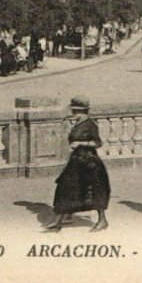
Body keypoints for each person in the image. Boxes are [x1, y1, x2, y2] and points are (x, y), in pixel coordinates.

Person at [46, 96, 110, 231]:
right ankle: (59, 219)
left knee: (95, 192)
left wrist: (81, 143)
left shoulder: (90, 125)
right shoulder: (78, 123)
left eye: (76, 111)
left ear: (83, 112)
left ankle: (102, 221)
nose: (73, 114)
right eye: (73, 111)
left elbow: (97, 143)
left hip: (90, 162)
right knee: (65, 187)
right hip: (77, 161)